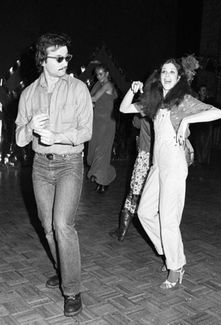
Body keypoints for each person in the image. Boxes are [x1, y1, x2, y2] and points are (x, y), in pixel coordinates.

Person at [119, 55, 221, 289]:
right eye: (164, 72)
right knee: (145, 213)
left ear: (178, 78)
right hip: (157, 166)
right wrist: (133, 89)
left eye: (171, 73)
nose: (166, 76)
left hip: (175, 165)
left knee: (168, 218)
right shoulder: (155, 101)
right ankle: (170, 253)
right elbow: (125, 108)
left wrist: (187, 121)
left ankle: (175, 267)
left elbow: (218, 113)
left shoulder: (183, 100)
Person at [15, 33, 93, 316]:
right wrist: (30, 127)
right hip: (40, 167)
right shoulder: (28, 94)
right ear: (42, 60)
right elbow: (20, 139)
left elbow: (86, 132)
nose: (64, 62)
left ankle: (72, 290)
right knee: (47, 227)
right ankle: (64, 271)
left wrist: (56, 135)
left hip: (70, 163)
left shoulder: (78, 89)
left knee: (62, 225)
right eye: (58, 58)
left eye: (67, 57)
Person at [109, 114, 153, 241]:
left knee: (134, 193)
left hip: (145, 156)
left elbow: (135, 123)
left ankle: (122, 230)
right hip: (160, 158)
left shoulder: (147, 111)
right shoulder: (168, 110)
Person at [87, 63, 118, 193]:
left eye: (101, 74)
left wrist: (78, 93)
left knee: (102, 152)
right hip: (96, 122)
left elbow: (93, 98)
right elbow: (92, 102)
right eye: (97, 74)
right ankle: (106, 177)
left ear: (106, 73)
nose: (99, 77)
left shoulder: (108, 85)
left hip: (106, 123)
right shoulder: (97, 85)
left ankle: (102, 182)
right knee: (94, 152)